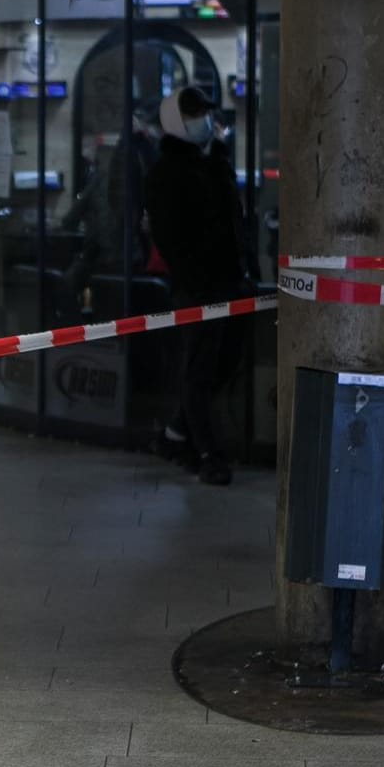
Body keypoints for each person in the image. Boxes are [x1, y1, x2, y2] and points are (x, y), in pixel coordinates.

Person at [142, 87, 247, 486]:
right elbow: (172, 240)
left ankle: (174, 435)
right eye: (195, 114)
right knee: (200, 369)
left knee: (223, 364)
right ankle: (207, 452)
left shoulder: (212, 164)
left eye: (205, 112)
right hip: (199, 289)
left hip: (230, 283)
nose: (204, 119)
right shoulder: (166, 174)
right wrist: (196, 281)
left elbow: (233, 221)